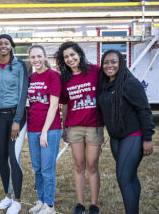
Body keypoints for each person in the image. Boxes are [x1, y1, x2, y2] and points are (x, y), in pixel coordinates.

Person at [98, 50, 154, 214]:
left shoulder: (130, 83)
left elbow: (144, 110)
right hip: (116, 138)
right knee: (130, 177)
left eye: (114, 62)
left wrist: (148, 138)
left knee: (123, 178)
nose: (110, 65)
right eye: (106, 62)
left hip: (133, 136)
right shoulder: (104, 85)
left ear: (121, 63)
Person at [55, 42, 103, 214]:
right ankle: (80, 204)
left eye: (72, 55)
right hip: (74, 127)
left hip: (94, 126)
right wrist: (64, 127)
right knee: (79, 165)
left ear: (80, 54)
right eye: (66, 57)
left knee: (92, 165)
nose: (70, 59)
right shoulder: (65, 77)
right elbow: (65, 104)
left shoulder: (95, 71)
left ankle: (94, 205)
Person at [0, 34, 28, 214]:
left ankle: (18, 201)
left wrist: (17, 120)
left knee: (14, 157)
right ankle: (7, 196)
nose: (3, 46)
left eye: (6, 43)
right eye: (0, 44)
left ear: (11, 46)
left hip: (15, 115)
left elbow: (22, 94)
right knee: (2, 156)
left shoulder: (20, 66)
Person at [27, 45, 62, 214]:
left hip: (50, 129)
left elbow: (54, 105)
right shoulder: (31, 77)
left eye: (39, 56)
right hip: (32, 128)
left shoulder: (53, 76)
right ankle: (40, 200)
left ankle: (50, 205)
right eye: (33, 57)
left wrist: (45, 131)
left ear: (45, 56)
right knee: (37, 168)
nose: (36, 60)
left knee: (47, 170)